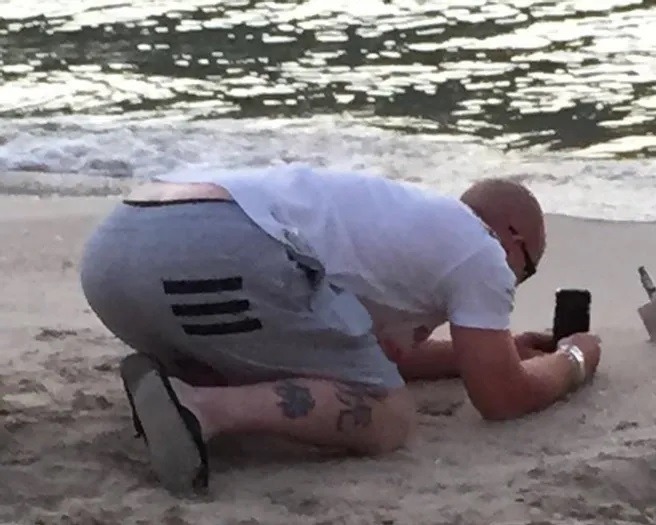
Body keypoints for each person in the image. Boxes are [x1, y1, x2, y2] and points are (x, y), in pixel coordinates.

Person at [78, 163, 603, 495]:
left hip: (117, 256)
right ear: (511, 236)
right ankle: (198, 408)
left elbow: (384, 355)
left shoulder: (399, 223)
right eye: (525, 270)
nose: (514, 282)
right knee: (389, 415)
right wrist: (575, 359)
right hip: (219, 250)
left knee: (327, 364)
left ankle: (182, 369)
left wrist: (504, 350)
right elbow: (502, 399)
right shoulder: (481, 249)